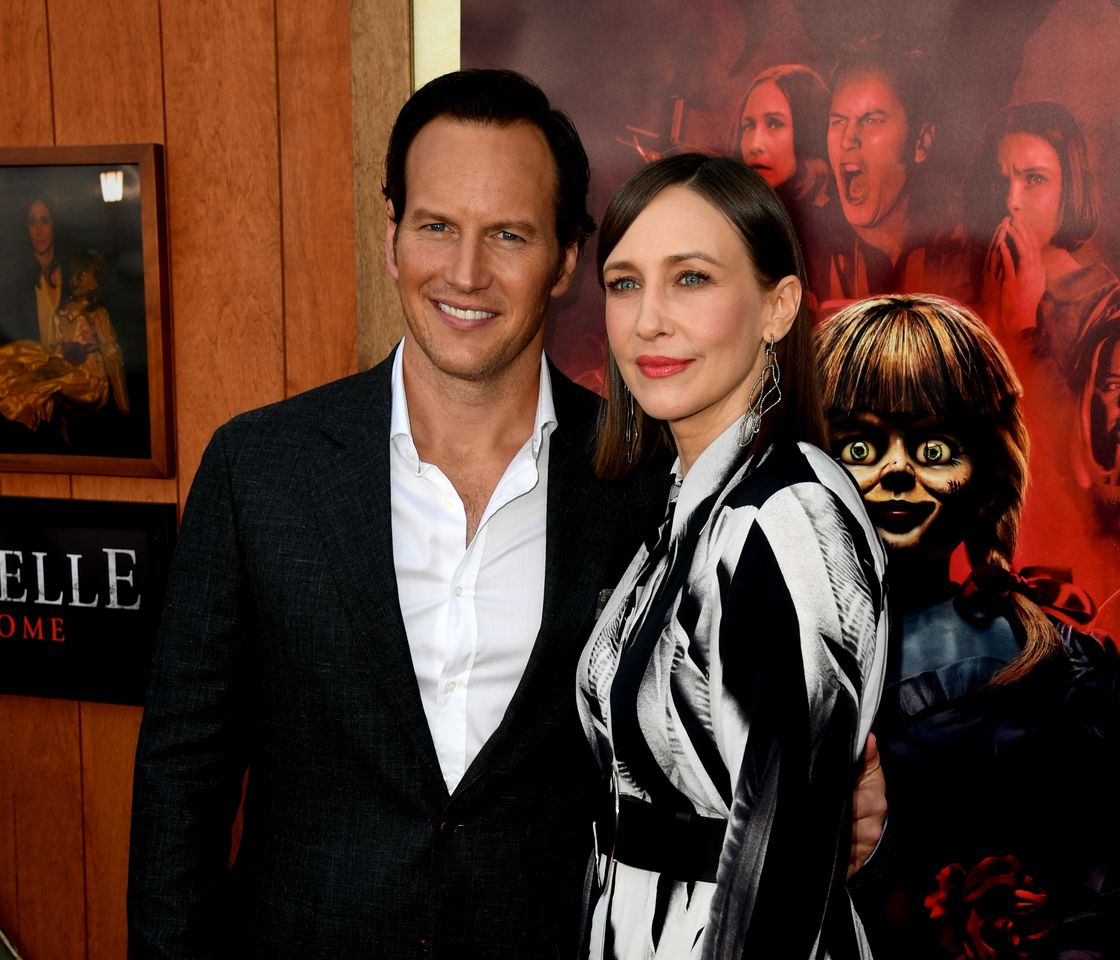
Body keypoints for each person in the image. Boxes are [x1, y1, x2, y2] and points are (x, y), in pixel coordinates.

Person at [128, 70, 886, 959]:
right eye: (436, 226)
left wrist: (836, 787)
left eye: (509, 235)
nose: (465, 272)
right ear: (392, 237)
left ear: (566, 260)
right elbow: (182, 779)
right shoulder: (259, 469)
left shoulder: (647, 480)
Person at [578, 153, 888, 958]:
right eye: (623, 283)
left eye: (691, 279)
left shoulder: (784, 521)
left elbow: (785, 860)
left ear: (778, 306)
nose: (648, 319)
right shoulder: (687, 503)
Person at [816, 293, 1118, 958]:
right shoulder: (743, 646)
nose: (896, 471)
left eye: (933, 445)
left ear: (986, 472)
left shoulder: (1066, 674)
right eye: (861, 444)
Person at [963, 100, 1120, 386]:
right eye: (1001, 181)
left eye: (1034, 179)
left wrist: (1024, 328)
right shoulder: (970, 282)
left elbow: (1073, 426)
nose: (1012, 202)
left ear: (1070, 188)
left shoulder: (1107, 307)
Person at [824, 37, 968, 308]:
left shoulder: (964, 249)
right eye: (838, 121)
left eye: (872, 121)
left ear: (921, 142)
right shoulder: (814, 253)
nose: (847, 139)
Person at [734, 63, 846, 307]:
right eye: (749, 126)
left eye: (774, 123)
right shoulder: (746, 218)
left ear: (809, 130)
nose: (755, 144)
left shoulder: (834, 230)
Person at [0, 249, 128, 433]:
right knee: (24, 356)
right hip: (64, 364)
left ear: (95, 282)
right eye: (72, 276)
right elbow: (58, 341)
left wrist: (122, 401)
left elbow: (112, 354)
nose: (73, 281)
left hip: (88, 374)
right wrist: (58, 357)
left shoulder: (97, 315)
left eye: (80, 276)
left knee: (49, 385)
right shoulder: (65, 308)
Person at [0, 196, 67, 345]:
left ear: (55, 225)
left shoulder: (70, 272)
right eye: (32, 222)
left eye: (44, 221)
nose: (38, 231)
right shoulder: (14, 278)